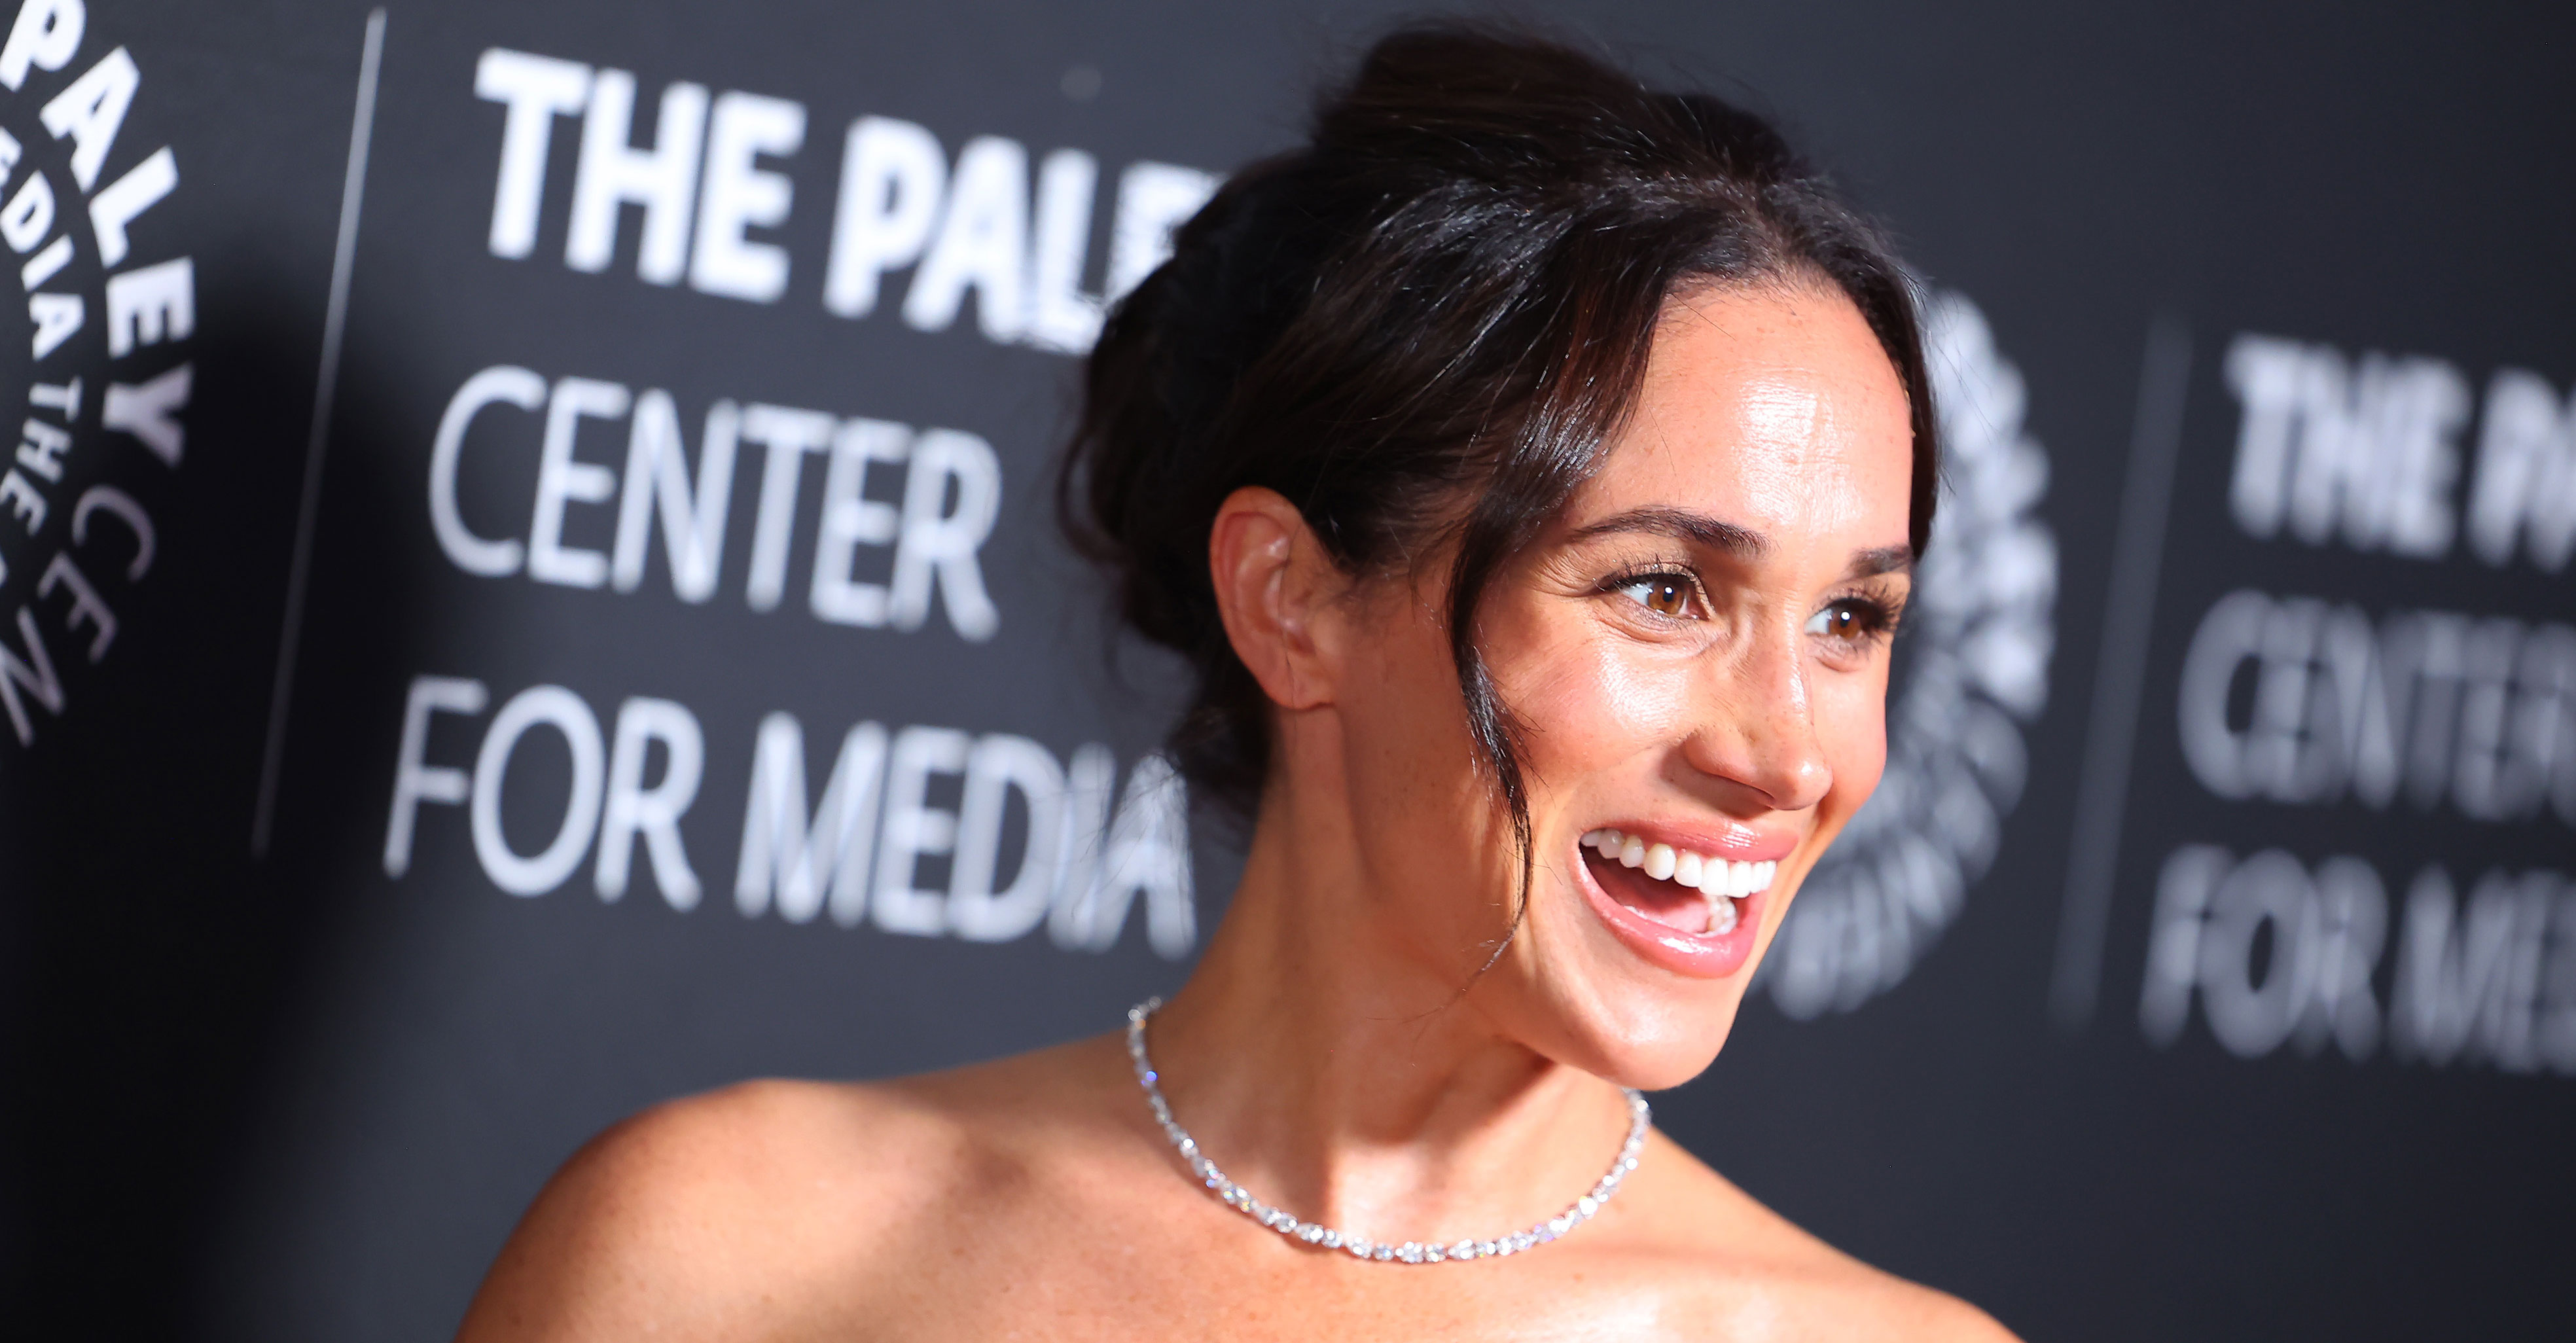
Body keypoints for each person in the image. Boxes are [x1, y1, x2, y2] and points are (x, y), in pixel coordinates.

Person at [458, 22, 2018, 1340]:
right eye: (1664, 591)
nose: (1791, 752)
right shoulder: (719, 1264)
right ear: (1295, 600)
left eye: (1851, 621)